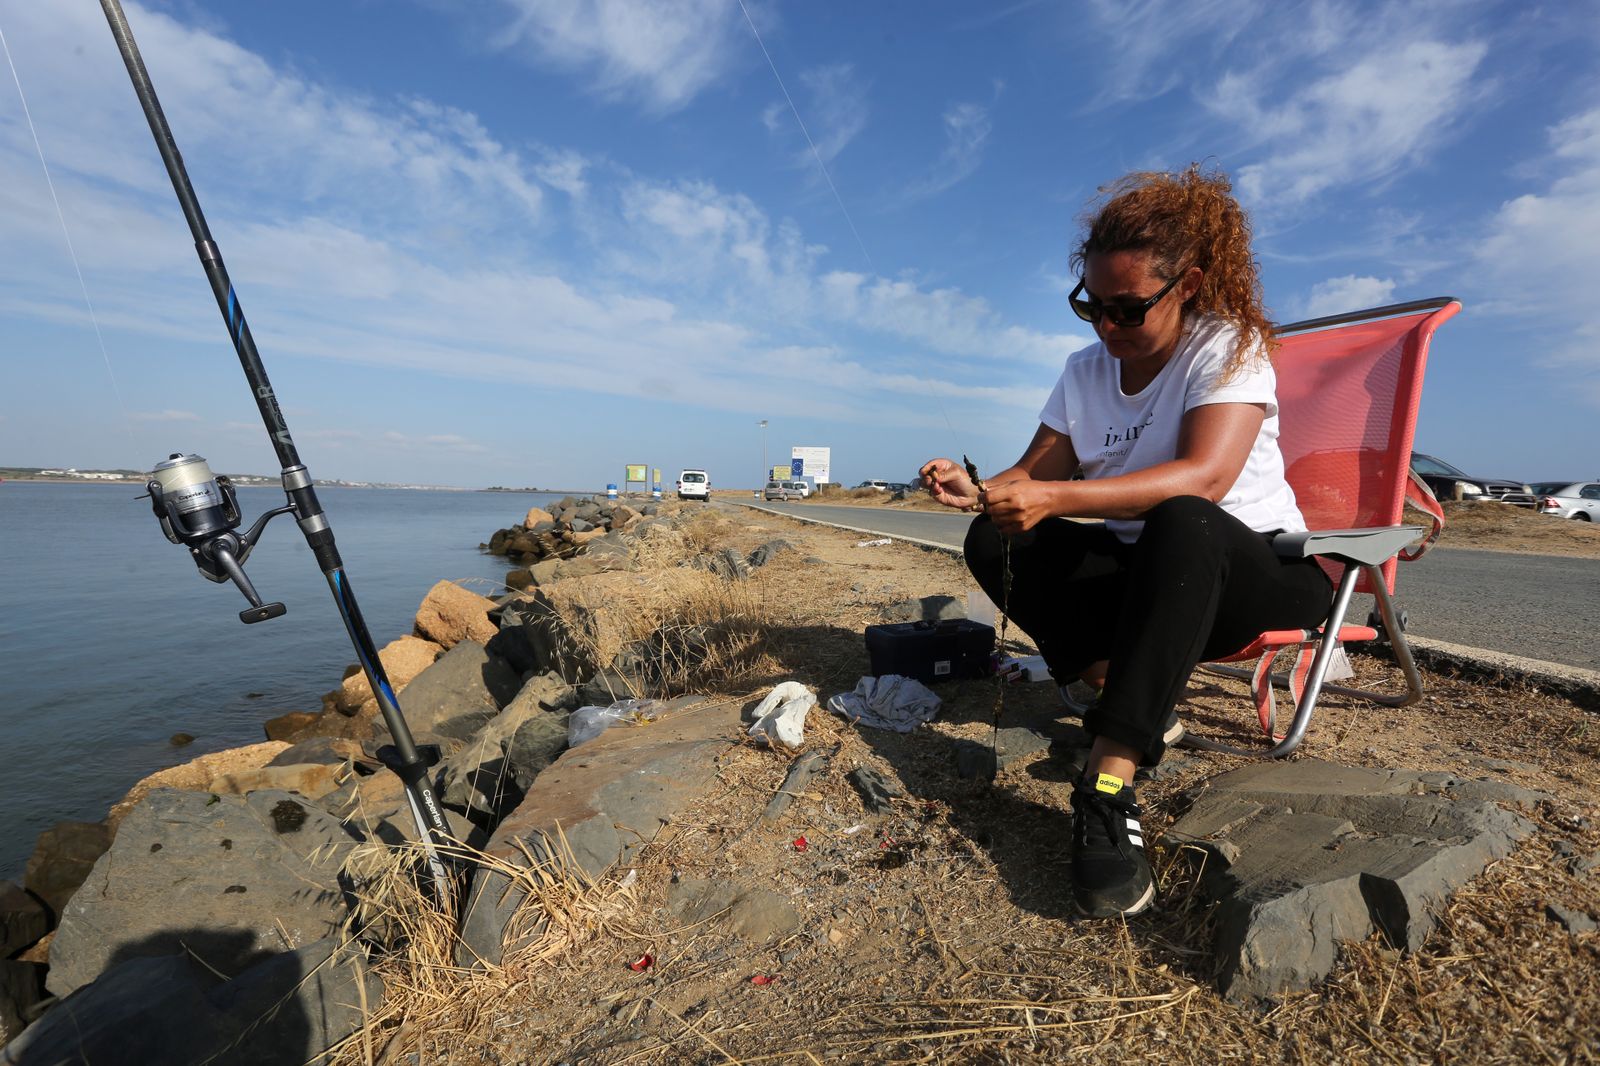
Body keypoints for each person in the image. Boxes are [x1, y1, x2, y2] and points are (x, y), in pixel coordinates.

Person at [920, 165, 1331, 918]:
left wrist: (1055, 496)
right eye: (1091, 307)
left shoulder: (1227, 347)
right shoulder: (1085, 371)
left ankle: (1109, 782)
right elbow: (1031, 479)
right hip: (1149, 580)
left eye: (1128, 310)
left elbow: (1205, 478)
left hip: (1254, 572)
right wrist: (978, 492)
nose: (1107, 328)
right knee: (996, 540)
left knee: (1182, 516)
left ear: (1189, 286)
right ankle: (1134, 698)